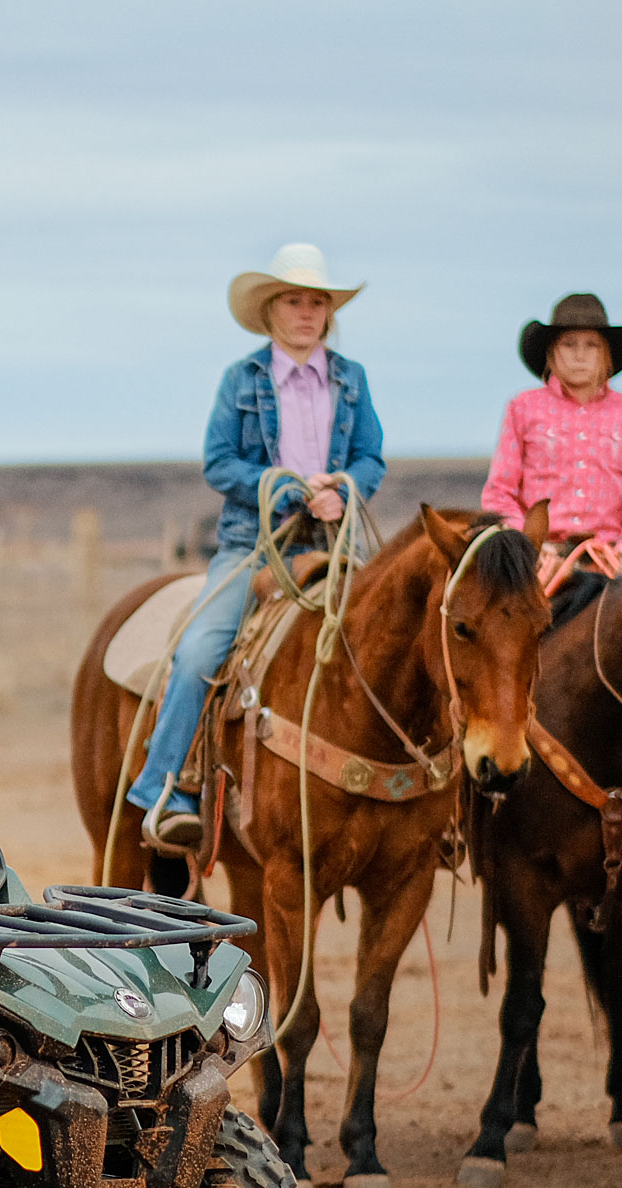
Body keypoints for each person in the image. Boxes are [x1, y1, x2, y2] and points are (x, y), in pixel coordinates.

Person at [128, 242, 388, 850]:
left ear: (329, 312)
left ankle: (425, 801)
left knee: (398, 638)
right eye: (294, 301)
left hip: (331, 543)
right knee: (200, 651)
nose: (306, 313)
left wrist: (345, 493)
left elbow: (370, 455)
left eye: (316, 302)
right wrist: (281, 489)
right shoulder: (242, 380)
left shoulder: (352, 381)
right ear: (271, 310)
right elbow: (219, 463)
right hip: (254, 547)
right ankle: (165, 790)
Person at [482, 293, 622, 609]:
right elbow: (499, 492)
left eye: (591, 345)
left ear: (606, 353)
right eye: (569, 344)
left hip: (609, 566)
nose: (580, 355)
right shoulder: (523, 408)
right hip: (539, 564)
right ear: (551, 352)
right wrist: (529, 546)